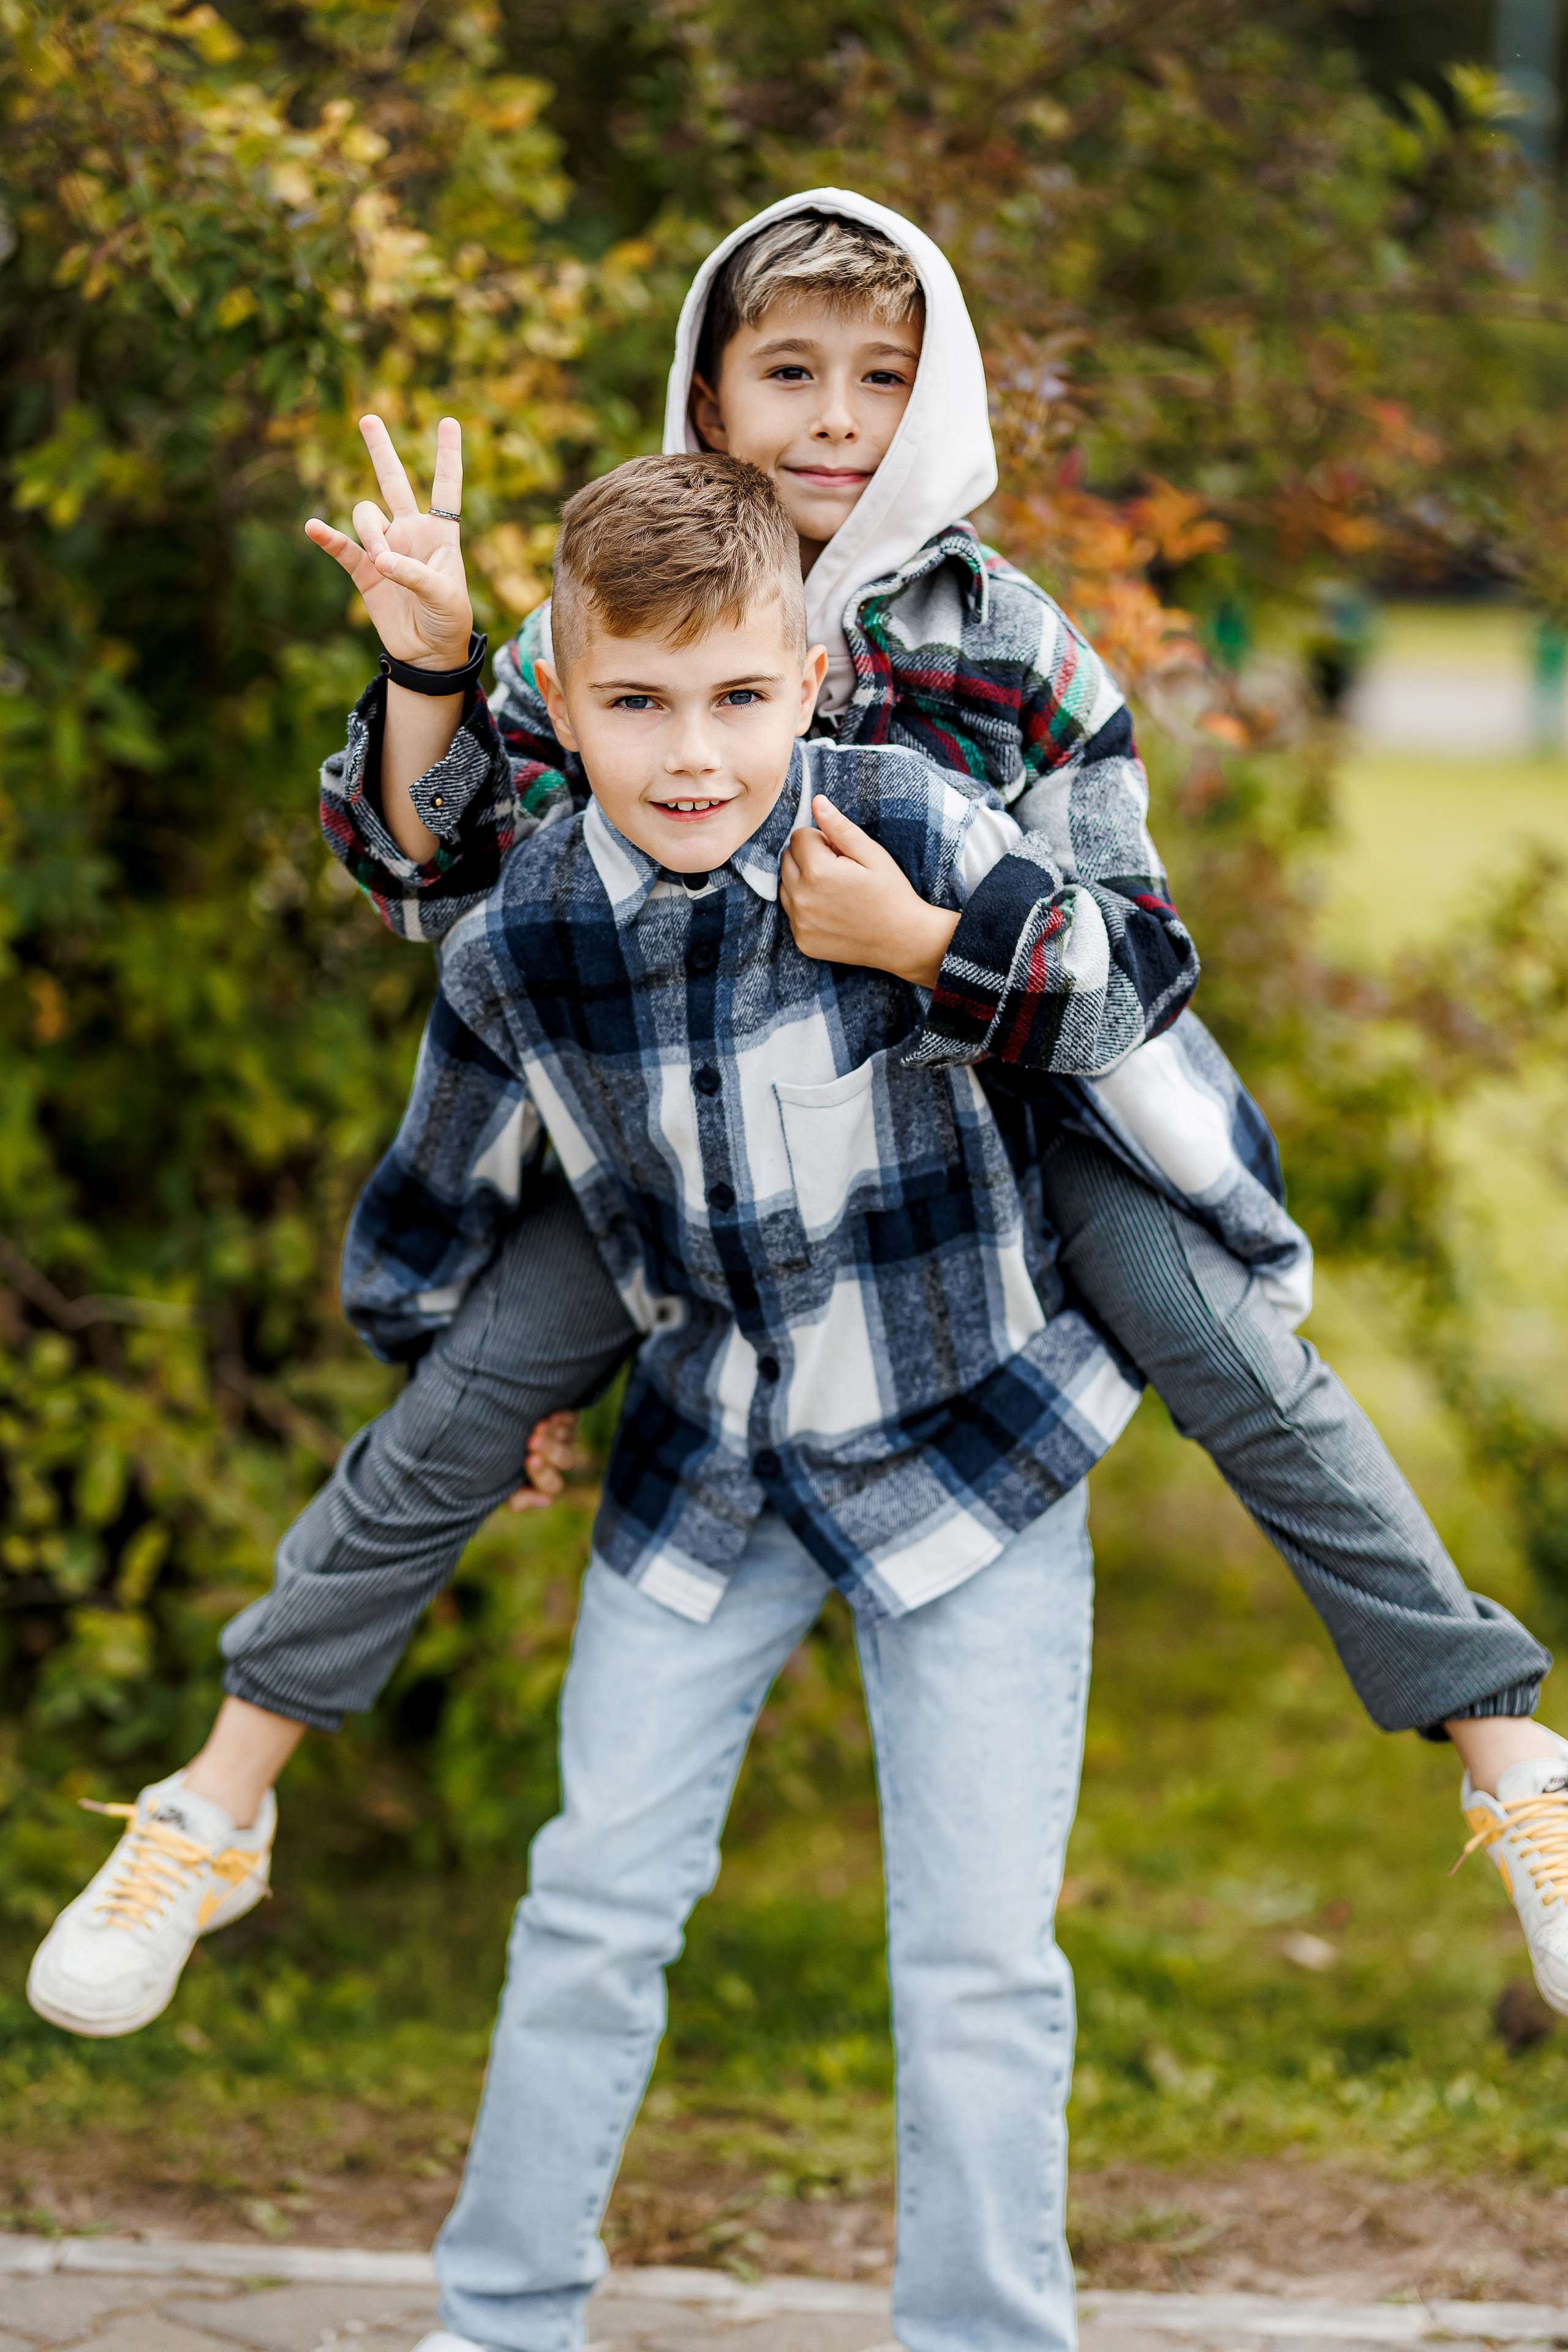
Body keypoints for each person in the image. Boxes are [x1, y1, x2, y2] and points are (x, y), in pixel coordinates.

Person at [27, 195, 1566, 2055]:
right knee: (454, 1400)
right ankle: (217, 1808)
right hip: (680, 1149)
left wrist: (926, 946)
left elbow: (1137, 958)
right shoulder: (616, 601)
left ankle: (1510, 1759)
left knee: (1236, 1352)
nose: (835, 417)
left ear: (936, 404)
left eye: (881, 379)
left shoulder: (1007, 640)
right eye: (789, 373)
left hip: (980, 1136)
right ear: (709, 390)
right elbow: (439, 886)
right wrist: (435, 664)